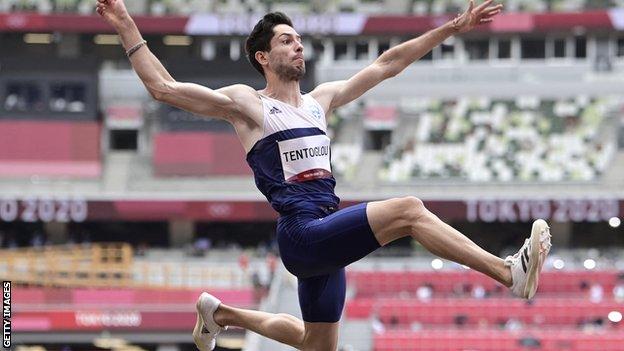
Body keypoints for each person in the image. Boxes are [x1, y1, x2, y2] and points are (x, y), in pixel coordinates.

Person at [96, 1, 552, 350]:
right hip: (301, 234)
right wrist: (124, 24)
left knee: (319, 343)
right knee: (409, 210)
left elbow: (386, 65)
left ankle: (222, 314)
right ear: (262, 56)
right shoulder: (248, 105)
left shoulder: (320, 101)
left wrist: (452, 28)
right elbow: (164, 88)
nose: (298, 46)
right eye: (286, 40)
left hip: (324, 236)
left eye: (299, 40)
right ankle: (508, 272)